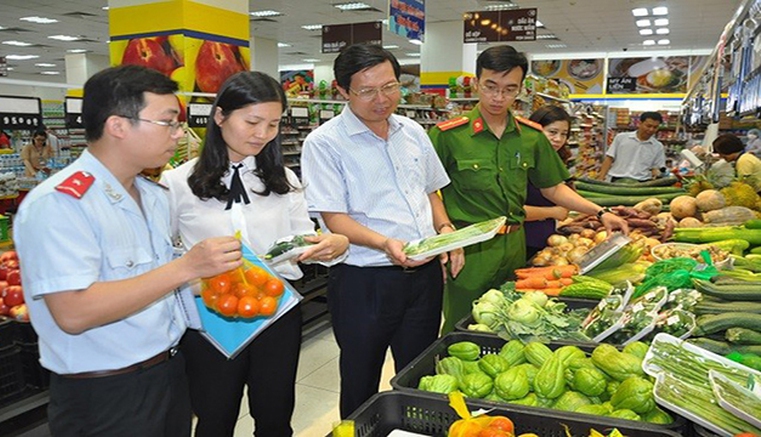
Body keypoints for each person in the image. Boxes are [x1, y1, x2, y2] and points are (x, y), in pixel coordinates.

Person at [13, 65, 242, 437]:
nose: (179, 133)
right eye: (167, 122)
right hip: (104, 392)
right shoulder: (61, 204)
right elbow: (73, 311)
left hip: (167, 373)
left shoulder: (153, 196)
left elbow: (151, 283)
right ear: (118, 125)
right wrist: (185, 268)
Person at [161, 71, 349, 437]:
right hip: (212, 317)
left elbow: (300, 242)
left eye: (273, 124)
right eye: (252, 121)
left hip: (276, 312)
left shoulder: (285, 181)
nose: (262, 134)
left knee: (275, 415)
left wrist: (331, 245)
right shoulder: (177, 184)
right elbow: (163, 254)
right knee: (215, 416)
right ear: (220, 117)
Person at [301, 43, 465, 418]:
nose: (382, 99)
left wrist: (446, 229)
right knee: (360, 377)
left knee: (419, 374)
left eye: (390, 87)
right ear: (342, 91)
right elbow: (334, 218)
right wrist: (384, 243)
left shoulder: (412, 131)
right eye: (367, 90)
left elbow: (430, 191)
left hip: (424, 277)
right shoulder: (324, 143)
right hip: (364, 282)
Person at [429, 45, 628, 334]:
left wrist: (601, 212)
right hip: (469, 250)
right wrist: (444, 232)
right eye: (491, 86)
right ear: (476, 83)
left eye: (509, 89)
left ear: (521, 90)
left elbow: (553, 188)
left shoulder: (531, 137)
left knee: (513, 322)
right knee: (461, 326)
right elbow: (428, 189)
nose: (499, 97)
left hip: (515, 247)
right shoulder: (448, 136)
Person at [523, 105, 572, 259]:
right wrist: (553, 212)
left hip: (546, 240)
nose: (558, 139)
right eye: (552, 132)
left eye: (564, 134)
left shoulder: (555, 160)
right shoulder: (523, 162)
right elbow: (511, 210)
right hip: (523, 241)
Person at [598, 111, 666, 182]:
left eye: (655, 127)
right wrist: (601, 178)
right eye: (648, 126)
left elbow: (656, 167)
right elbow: (609, 158)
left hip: (641, 182)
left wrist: (657, 174)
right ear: (640, 123)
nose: (651, 129)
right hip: (617, 179)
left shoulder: (658, 146)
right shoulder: (621, 138)